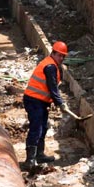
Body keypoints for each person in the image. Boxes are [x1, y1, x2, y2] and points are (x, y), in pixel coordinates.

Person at [22, 41, 75, 170]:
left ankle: (39, 155)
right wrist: (61, 103)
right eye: (59, 55)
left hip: (40, 101)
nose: (61, 58)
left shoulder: (52, 65)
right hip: (34, 100)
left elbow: (51, 89)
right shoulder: (50, 66)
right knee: (36, 128)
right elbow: (53, 88)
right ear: (53, 53)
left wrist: (52, 101)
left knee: (43, 127)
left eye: (63, 56)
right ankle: (30, 160)